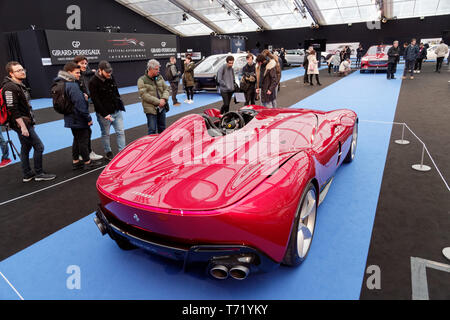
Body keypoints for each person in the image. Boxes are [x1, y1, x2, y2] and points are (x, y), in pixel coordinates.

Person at [2, 61, 56, 181]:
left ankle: (27, 174)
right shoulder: (9, 87)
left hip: (25, 121)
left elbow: (26, 106)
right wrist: (23, 127)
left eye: (22, 69)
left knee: (25, 147)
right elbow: (13, 109)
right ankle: (39, 173)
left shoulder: (19, 85)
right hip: (20, 123)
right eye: (18, 70)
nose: (22, 72)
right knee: (39, 146)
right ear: (11, 73)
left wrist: (31, 122)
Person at [55, 62, 97, 170]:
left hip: (70, 117)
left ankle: (76, 161)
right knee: (83, 139)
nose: (79, 74)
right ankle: (87, 162)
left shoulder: (61, 83)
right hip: (78, 118)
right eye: (77, 73)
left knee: (77, 139)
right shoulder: (72, 85)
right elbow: (80, 104)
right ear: (69, 72)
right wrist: (88, 118)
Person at [89, 60, 126, 161]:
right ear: (100, 70)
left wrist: (119, 104)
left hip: (116, 110)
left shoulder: (111, 77)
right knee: (106, 134)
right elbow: (96, 101)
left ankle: (122, 152)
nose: (109, 74)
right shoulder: (93, 82)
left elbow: (115, 91)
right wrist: (105, 114)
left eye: (110, 71)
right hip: (104, 114)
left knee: (121, 132)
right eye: (107, 72)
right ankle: (108, 152)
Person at [73, 55, 103, 161]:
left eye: (86, 63)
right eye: (82, 63)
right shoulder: (74, 78)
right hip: (78, 110)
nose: (84, 65)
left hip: (83, 107)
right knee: (85, 133)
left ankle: (78, 158)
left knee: (79, 135)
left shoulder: (86, 74)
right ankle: (87, 155)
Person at [137, 59, 170, 135]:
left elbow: (166, 88)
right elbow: (144, 95)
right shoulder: (141, 80)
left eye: (158, 69)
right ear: (150, 69)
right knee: (152, 131)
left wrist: (164, 99)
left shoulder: (160, 77)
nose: (158, 71)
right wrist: (159, 102)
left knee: (162, 129)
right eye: (156, 69)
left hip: (162, 108)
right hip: (151, 109)